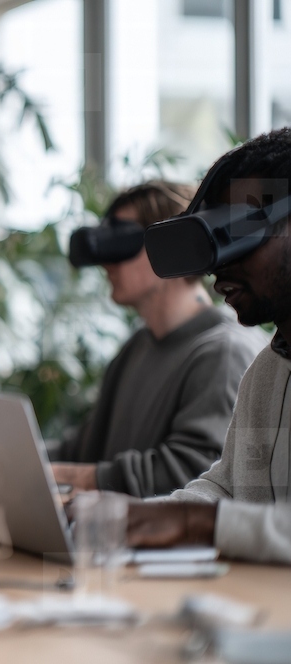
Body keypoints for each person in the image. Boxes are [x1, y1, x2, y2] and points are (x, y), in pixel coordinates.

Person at [127, 127, 291, 564]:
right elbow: (226, 487)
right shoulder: (269, 369)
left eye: (239, 235)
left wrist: (198, 525)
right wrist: (131, 516)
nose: (219, 272)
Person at [50, 182, 267, 497]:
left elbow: (195, 475)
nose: (106, 262)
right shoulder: (138, 346)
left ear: (172, 246)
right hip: (109, 537)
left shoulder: (223, 352)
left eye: (121, 242)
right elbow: (83, 447)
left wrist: (60, 474)